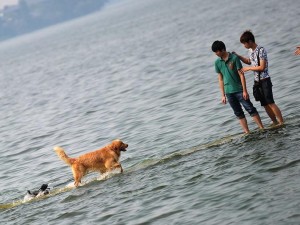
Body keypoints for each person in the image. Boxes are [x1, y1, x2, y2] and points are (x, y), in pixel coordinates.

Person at [212, 40, 264, 134]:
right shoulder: (217, 63)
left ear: (222, 49)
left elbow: (241, 75)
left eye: (217, 51)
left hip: (239, 90)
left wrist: (245, 90)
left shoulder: (234, 58)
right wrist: (223, 95)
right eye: (215, 52)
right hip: (229, 92)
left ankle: (261, 128)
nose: (216, 53)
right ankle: (247, 132)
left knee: (250, 109)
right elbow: (220, 79)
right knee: (238, 113)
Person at [234, 30, 284, 126]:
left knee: (270, 103)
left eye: (244, 43)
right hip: (257, 82)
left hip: (265, 80)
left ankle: (281, 122)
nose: (244, 45)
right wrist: (238, 56)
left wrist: (248, 69)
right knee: (265, 105)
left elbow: (262, 67)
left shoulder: (261, 50)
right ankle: (275, 122)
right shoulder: (250, 51)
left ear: (250, 41)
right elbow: (249, 61)